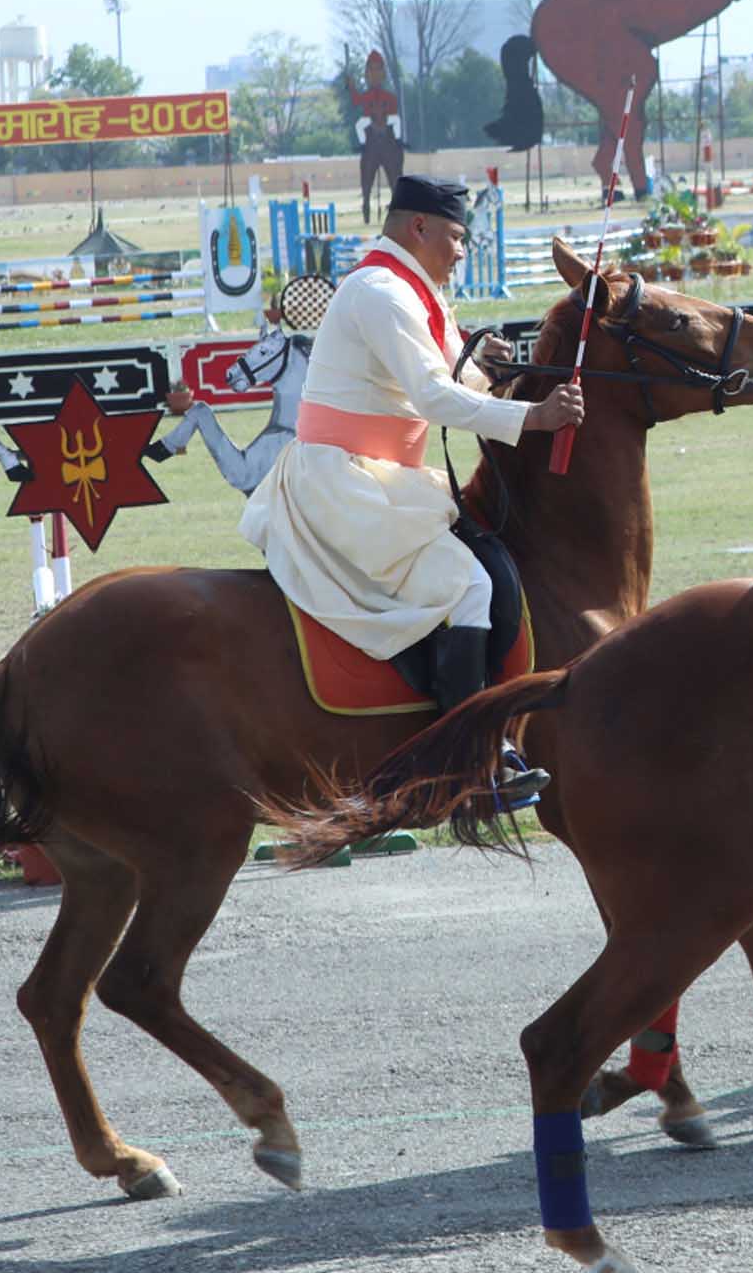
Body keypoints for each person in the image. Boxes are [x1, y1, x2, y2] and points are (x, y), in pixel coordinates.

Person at [239, 174, 582, 807]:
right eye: (455, 238)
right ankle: (471, 768)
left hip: (384, 480)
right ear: (417, 228)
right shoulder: (381, 293)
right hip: (344, 484)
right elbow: (431, 398)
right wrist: (534, 418)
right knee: (467, 585)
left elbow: (455, 379)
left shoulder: (417, 291)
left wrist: (489, 369)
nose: (461, 252)